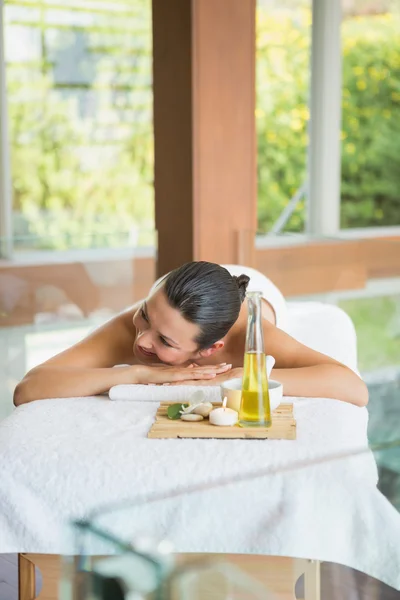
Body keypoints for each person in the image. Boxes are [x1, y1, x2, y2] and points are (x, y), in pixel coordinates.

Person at [13, 261, 368, 407]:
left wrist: (250, 375)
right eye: (145, 316)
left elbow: (353, 387)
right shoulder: (135, 327)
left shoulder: (253, 335)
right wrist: (137, 372)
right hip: (196, 288)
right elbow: (29, 389)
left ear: (211, 349)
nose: (141, 342)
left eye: (164, 342)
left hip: (257, 290)